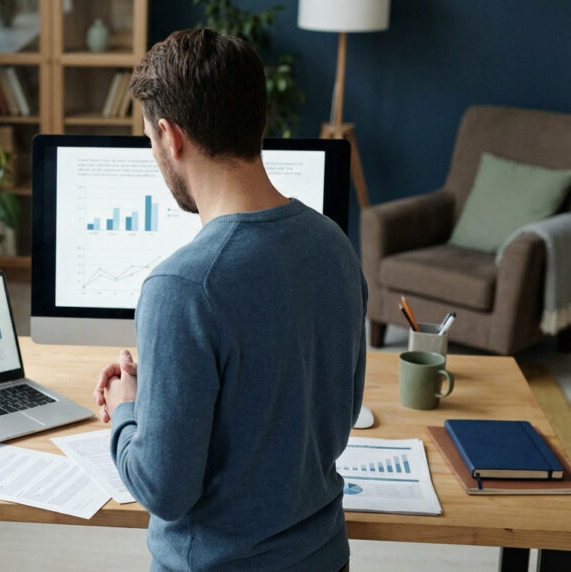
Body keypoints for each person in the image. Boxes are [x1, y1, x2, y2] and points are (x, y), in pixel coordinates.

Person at [93, 28, 367, 571]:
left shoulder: (182, 288)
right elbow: (330, 413)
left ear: (171, 137)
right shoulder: (333, 244)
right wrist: (169, 393)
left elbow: (162, 489)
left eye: (149, 140)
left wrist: (128, 410)